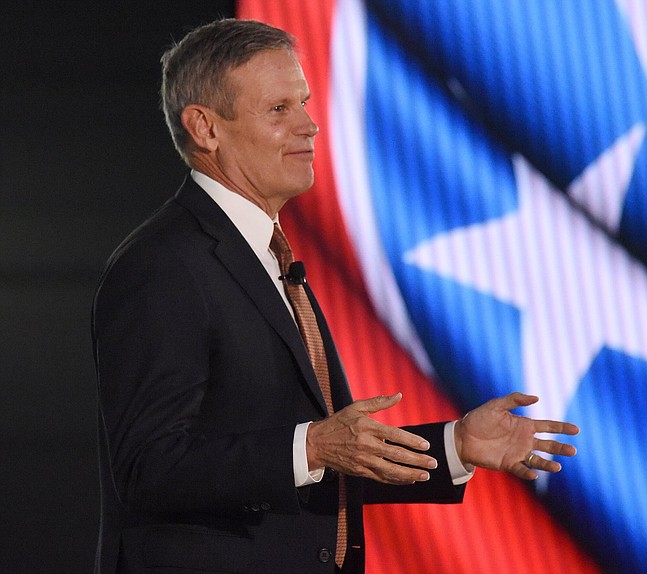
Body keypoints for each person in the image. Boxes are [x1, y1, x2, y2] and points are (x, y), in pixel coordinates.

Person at [92, 18, 579, 574]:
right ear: (205, 128)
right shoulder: (164, 265)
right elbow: (148, 469)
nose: (310, 125)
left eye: (303, 103)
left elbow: (306, 460)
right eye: (279, 109)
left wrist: (454, 445)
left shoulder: (264, 255)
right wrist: (314, 446)